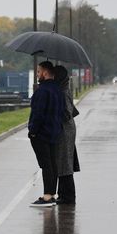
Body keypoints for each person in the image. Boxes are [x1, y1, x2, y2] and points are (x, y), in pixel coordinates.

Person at [28, 61, 65, 207]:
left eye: (38, 72)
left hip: (41, 133)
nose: (37, 75)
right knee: (52, 164)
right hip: (54, 132)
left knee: (46, 165)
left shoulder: (42, 91)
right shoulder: (58, 90)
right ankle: (51, 193)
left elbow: (38, 114)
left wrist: (32, 131)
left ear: (44, 72)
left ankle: (47, 196)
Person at [53, 65, 80, 205]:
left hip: (65, 130)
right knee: (64, 162)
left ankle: (68, 196)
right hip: (67, 129)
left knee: (65, 162)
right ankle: (63, 193)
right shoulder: (63, 88)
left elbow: (67, 113)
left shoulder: (62, 91)